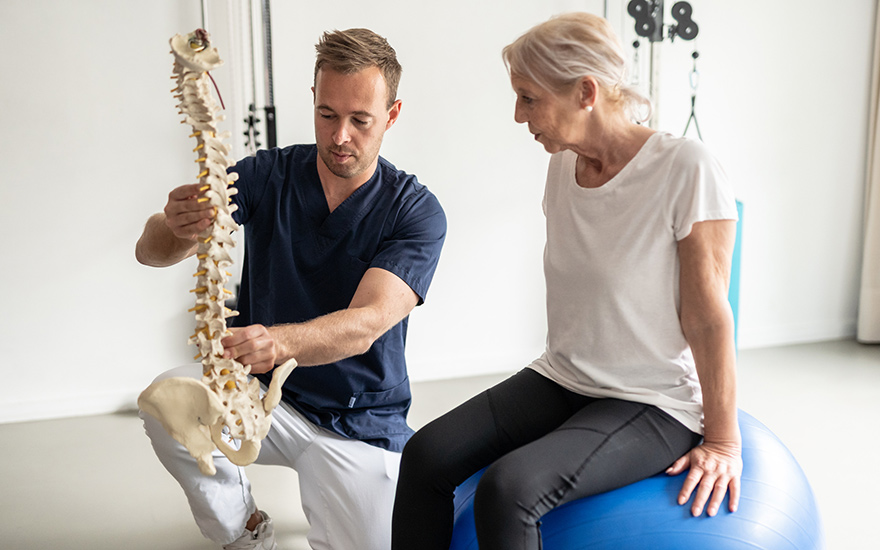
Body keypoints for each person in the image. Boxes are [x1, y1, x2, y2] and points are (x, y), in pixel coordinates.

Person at [391, 12, 740, 550]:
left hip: (651, 399)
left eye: (529, 98)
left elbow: (708, 315)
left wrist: (723, 440)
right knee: (425, 456)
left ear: (585, 92)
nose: (517, 115)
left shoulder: (685, 169)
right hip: (564, 377)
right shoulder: (563, 164)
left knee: (508, 490)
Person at [136, 28, 446, 550]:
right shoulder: (268, 174)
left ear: (391, 116)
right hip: (256, 395)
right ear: (314, 102)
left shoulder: (415, 211)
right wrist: (176, 226)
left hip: (356, 418)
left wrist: (279, 343)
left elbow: (368, 323)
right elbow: (151, 252)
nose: (340, 135)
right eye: (327, 114)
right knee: (166, 401)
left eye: (360, 120)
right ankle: (244, 531)